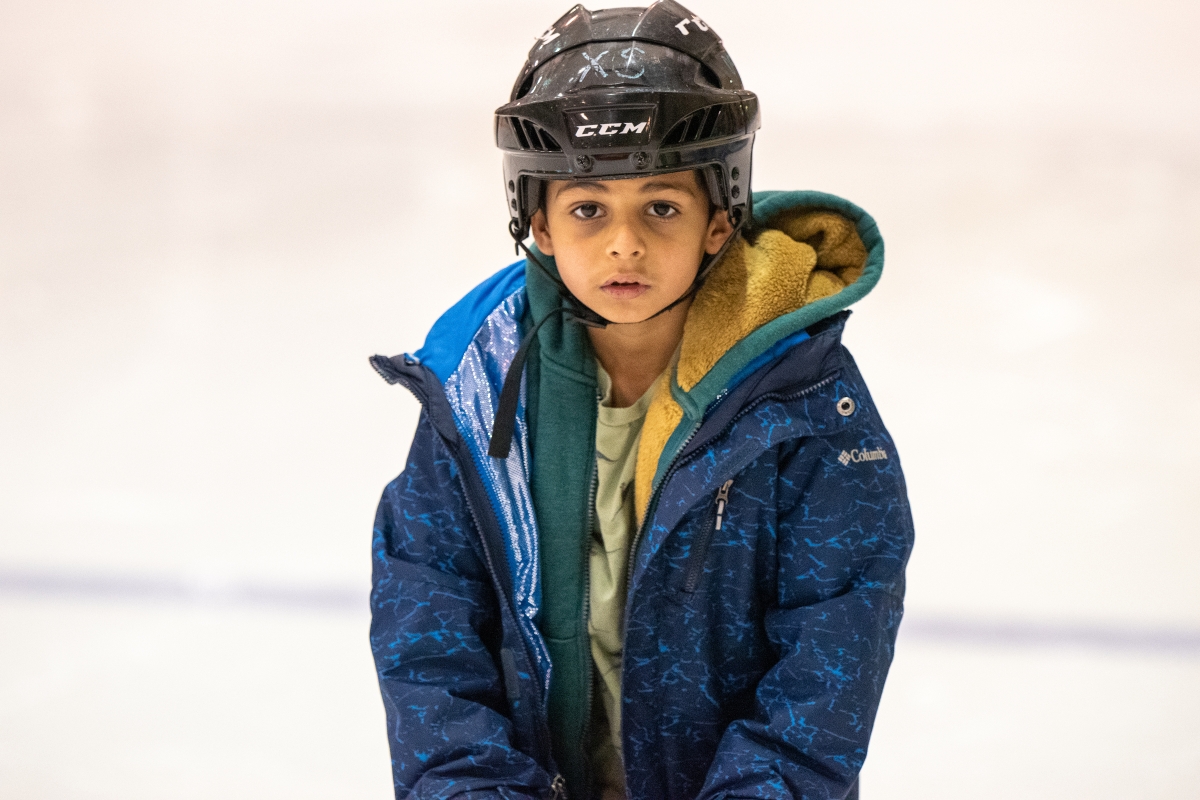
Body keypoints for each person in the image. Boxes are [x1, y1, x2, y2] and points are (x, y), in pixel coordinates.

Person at [368, 2, 914, 798]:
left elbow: (829, 655)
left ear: (719, 220)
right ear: (540, 224)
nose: (625, 244)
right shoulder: (474, 387)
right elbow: (428, 628)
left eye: (662, 207)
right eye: (589, 208)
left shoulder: (805, 405)